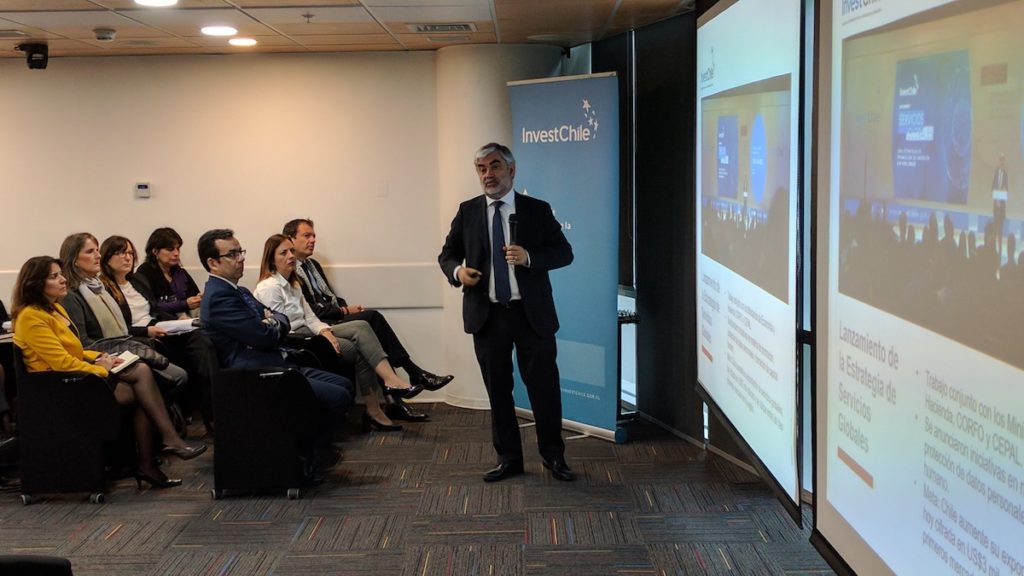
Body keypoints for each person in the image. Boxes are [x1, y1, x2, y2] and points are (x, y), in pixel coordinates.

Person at [438, 142, 575, 482]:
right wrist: (458, 272)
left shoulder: (536, 210)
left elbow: (564, 252)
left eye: (495, 166)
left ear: (511, 170)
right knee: (498, 393)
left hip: (531, 315)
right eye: (482, 168)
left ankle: (554, 457)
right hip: (488, 316)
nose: (488, 174)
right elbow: (447, 255)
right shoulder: (468, 211)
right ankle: (509, 459)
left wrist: (530, 257)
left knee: (544, 389)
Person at [11, 256, 205, 489]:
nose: (63, 279)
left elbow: (75, 351)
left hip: (76, 377)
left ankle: (157, 453)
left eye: (61, 274)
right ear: (35, 283)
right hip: (58, 387)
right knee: (144, 387)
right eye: (54, 276)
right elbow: (61, 362)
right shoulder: (31, 317)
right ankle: (159, 451)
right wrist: (100, 368)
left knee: (142, 374)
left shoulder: (55, 309)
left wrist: (102, 357)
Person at [197, 229, 354, 473]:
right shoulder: (219, 298)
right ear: (213, 263)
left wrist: (272, 320)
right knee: (338, 396)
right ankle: (308, 457)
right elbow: (265, 336)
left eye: (240, 252)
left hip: (276, 360)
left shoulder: (240, 291)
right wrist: (271, 322)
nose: (241, 258)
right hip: (256, 375)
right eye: (233, 254)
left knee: (344, 385)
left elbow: (280, 317)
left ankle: (306, 448)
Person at [283, 218, 454, 421]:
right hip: (319, 325)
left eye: (314, 235)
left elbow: (330, 297)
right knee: (373, 318)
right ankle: (411, 376)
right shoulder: (290, 269)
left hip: (331, 317)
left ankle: (396, 399)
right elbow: (312, 310)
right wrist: (344, 311)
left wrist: (345, 308)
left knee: (372, 326)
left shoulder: (313, 265)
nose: (313, 240)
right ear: (290, 239)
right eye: (306, 235)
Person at [253, 234, 422, 431]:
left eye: (291, 251)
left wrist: (326, 333)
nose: (291, 256)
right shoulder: (269, 287)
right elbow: (281, 328)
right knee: (357, 348)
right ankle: (375, 408)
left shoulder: (293, 283)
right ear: (271, 259)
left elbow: (311, 318)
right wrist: (323, 335)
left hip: (311, 332)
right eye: (284, 253)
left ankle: (389, 383)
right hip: (296, 340)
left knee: (362, 326)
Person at [99, 235, 217, 434]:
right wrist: (146, 330)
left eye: (130, 253)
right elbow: (119, 327)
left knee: (202, 339)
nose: (127, 257)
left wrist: (180, 322)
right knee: (190, 352)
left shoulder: (136, 280)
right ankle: (190, 414)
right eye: (120, 253)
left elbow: (155, 309)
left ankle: (212, 415)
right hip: (138, 336)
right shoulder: (105, 288)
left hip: (158, 326)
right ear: (107, 257)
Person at [58, 233, 189, 392]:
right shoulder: (72, 295)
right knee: (177, 376)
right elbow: (83, 342)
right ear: (74, 259)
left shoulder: (98, 287)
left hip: (124, 346)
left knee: (186, 353)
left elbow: (152, 311)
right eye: (90, 251)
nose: (98, 255)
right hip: (105, 355)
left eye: (97, 250)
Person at [133, 228, 202, 320]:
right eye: (170, 249)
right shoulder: (144, 272)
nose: (176, 253)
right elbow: (151, 307)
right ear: (155, 251)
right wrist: (184, 304)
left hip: (186, 320)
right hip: (160, 322)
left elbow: (194, 295)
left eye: (178, 249)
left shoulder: (180, 272)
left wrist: (200, 298)